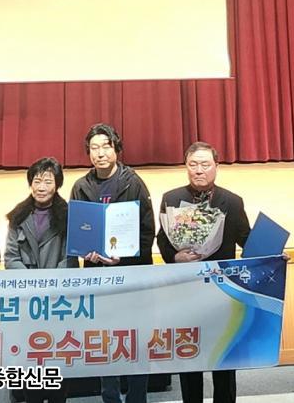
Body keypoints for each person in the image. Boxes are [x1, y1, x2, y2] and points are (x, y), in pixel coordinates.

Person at [157, 141, 250, 403]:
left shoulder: (232, 202)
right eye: (193, 164)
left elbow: (247, 239)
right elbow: (162, 239)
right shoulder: (171, 199)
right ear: (186, 166)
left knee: (224, 358)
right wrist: (175, 256)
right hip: (186, 291)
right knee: (189, 356)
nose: (199, 170)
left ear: (216, 166)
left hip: (222, 291)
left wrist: (273, 254)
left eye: (205, 164)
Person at [70, 123, 154, 403]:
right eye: (94, 148)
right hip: (98, 277)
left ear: (117, 149)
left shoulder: (134, 183)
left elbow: (147, 232)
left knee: (135, 339)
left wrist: (125, 257)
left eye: (106, 146)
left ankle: (137, 397)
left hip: (131, 276)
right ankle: (110, 397)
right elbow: (77, 229)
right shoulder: (81, 186)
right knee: (106, 339)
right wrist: (85, 252)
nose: (100, 153)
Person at [4, 157, 77, 403]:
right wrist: (32, 283)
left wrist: (50, 284)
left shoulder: (69, 215)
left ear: (57, 185)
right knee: (30, 358)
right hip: (27, 300)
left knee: (57, 358)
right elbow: (10, 258)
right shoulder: (17, 216)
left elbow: (70, 258)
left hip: (58, 301)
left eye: (48, 181)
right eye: (37, 181)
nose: (41, 187)